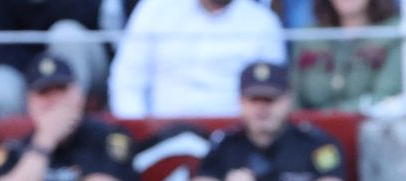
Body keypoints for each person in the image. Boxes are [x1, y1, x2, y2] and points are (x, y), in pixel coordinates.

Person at [0, 54, 146, 181]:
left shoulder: (109, 138)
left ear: (79, 94)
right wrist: (45, 140)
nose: (54, 101)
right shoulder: (14, 150)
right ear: (29, 103)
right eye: (44, 92)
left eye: (61, 90)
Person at [188, 60, 348, 181]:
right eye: (254, 99)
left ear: (288, 100)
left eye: (270, 99)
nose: (262, 108)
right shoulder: (224, 145)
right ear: (240, 102)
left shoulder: (317, 145)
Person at [108, 0, 286, 117]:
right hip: (162, 134)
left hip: (235, 140)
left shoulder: (262, 21)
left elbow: (275, 94)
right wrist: (139, 129)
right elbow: (126, 81)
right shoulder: (155, 9)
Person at [0, 0, 106, 115]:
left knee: (66, 34)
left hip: (87, 68)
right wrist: (38, 74)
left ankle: (69, 118)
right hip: (24, 71)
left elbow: (87, 16)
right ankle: (28, 134)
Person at [291, 0, 404, 111]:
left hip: (372, 122)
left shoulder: (396, 32)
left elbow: (385, 98)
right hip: (308, 122)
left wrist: (331, 115)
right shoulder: (310, 36)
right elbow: (295, 98)